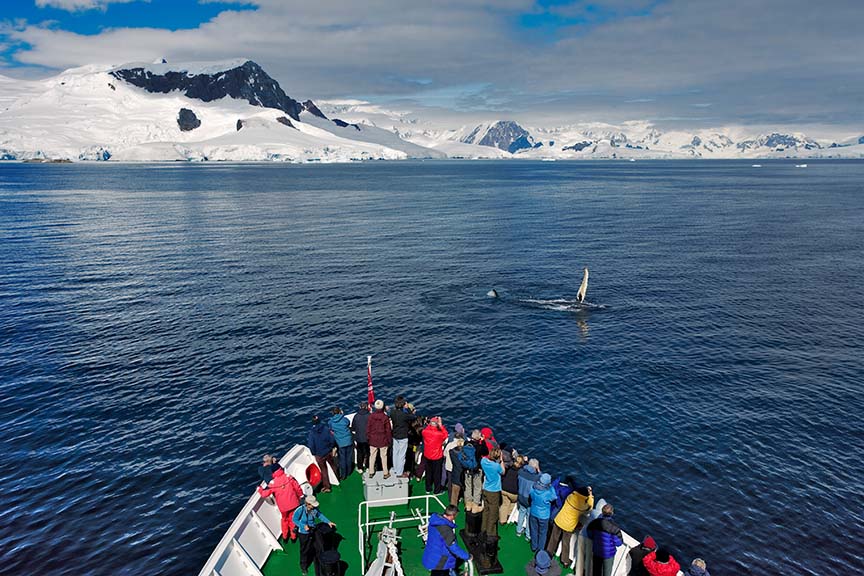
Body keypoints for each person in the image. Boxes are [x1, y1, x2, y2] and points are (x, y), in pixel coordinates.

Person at [547, 485, 594, 568]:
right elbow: (590, 507)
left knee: (553, 539)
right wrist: (590, 495)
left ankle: (548, 554)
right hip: (569, 526)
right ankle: (565, 561)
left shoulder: (570, 497)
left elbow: (574, 491)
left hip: (559, 520)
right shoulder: (583, 506)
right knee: (566, 543)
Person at [292, 495, 336, 576]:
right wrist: (303, 526)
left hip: (313, 529)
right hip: (304, 533)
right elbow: (294, 519)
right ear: (308, 504)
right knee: (304, 550)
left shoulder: (313, 510)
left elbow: (319, 515)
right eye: (313, 505)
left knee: (320, 546)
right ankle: (303, 566)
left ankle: (321, 563)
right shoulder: (300, 510)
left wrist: (328, 522)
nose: (314, 506)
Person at [422, 504, 471, 576]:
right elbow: (453, 547)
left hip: (432, 555)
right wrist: (467, 556)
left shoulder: (435, 521)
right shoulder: (446, 530)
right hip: (441, 560)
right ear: (452, 516)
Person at [257, 466, 304, 541]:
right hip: (294, 503)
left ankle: (285, 536)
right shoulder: (289, 477)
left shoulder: (273, 483)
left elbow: (264, 494)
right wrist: (301, 495)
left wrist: (259, 489)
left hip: (283, 507)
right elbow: (297, 488)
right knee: (293, 519)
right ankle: (293, 536)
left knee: (284, 519)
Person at [587, 503, 623, 576]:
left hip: (597, 551)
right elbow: (619, 543)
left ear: (602, 512)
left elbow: (589, 533)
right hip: (608, 554)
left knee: (596, 571)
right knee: (607, 573)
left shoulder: (595, 522)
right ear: (612, 513)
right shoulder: (614, 527)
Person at [528, 473, 557, 552]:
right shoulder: (548, 493)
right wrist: (551, 487)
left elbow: (530, 493)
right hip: (543, 516)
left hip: (533, 512)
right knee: (543, 533)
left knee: (534, 530)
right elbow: (554, 497)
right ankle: (540, 549)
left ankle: (534, 546)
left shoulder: (533, 488)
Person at [307, 415, 336, 493]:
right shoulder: (326, 428)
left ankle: (327, 486)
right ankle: (337, 478)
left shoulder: (312, 433)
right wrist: (331, 447)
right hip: (328, 451)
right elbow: (332, 439)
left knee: (323, 470)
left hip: (319, 455)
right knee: (333, 465)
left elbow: (311, 445)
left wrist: (314, 453)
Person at [480, 447, 505, 536]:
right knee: (493, 513)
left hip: (485, 489)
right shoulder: (496, 466)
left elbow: (485, 459)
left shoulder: (483, 461)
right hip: (494, 492)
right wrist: (501, 461)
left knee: (486, 511)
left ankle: (483, 529)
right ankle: (490, 533)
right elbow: (503, 472)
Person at [389, 396, 416, 477]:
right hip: (403, 436)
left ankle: (395, 469)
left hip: (395, 434)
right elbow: (413, 417)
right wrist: (408, 409)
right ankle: (399, 472)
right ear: (403, 404)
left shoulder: (392, 412)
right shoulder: (404, 415)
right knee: (401, 455)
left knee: (395, 453)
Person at [422, 416, 449, 494]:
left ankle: (428, 488)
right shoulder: (439, 434)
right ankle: (437, 490)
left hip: (427, 455)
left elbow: (427, 428)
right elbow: (445, 435)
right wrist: (441, 425)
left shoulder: (425, 432)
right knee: (437, 474)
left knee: (428, 472)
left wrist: (431, 423)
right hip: (437, 456)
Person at [367, 399, 392, 478]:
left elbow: (368, 428)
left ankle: (371, 472)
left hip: (373, 439)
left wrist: (368, 437)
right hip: (383, 440)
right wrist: (389, 440)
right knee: (383, 457)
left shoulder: (371, 416)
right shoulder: (385, 417)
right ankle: (385, 473)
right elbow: (388, 430)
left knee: (372, 456)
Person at [517, 458, 540, 541]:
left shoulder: (521, 472)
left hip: (521, 496)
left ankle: (518, 531)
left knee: (521, 513)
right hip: (529, 499)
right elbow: (542, 478)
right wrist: (539, 470)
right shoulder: (536, 477)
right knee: (529, 517)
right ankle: (528, 535)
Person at [328, 406, 353, 480]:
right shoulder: (344, 419)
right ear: (340, 411)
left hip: (340, 443)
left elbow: (331, 429)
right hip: (348, 440)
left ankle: (343, 475)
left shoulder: (331, 422)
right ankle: (349, 472)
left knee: (342, 459)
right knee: (349, 457)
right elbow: (348, 423)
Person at [500, 452, 522, 525]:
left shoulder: (509, 468)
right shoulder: (521, 472)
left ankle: (502, 520)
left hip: (504, 489)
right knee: (512, 503)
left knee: (504, 504)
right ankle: (509, 515)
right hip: (513, 493)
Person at [447, 432, 466, 507]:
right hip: (463, 474)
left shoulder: (451, 452)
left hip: (455, 474)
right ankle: (466, 505)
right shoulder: (464, 454)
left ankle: (453, 506)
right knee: (465, 491)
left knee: (454, 492)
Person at [351, 401, 370, 473]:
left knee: (359, 453)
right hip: (368, 438)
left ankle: (360, 468)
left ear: (360, 407)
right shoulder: (369, 415)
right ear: (366, 407)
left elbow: (353, 428)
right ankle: (368, 466)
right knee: (368, 453)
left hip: (359, 438)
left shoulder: (356, 416)